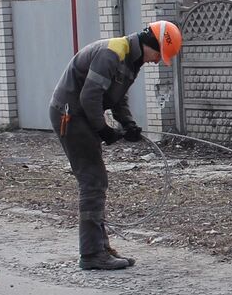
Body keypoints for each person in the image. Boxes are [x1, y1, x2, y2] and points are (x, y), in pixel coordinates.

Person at [50, 20, 182, 270]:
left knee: (96, 181)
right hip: (70, 115)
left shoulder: (132, 60)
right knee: (93, 181)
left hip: (81, 115)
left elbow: (117, 97)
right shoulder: (112, 54)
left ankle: (98, 247)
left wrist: (128, 123)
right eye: (158, 55)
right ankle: (91, 254)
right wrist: (104, 130)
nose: (156, 61)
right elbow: (89, 96)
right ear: (150, 44)